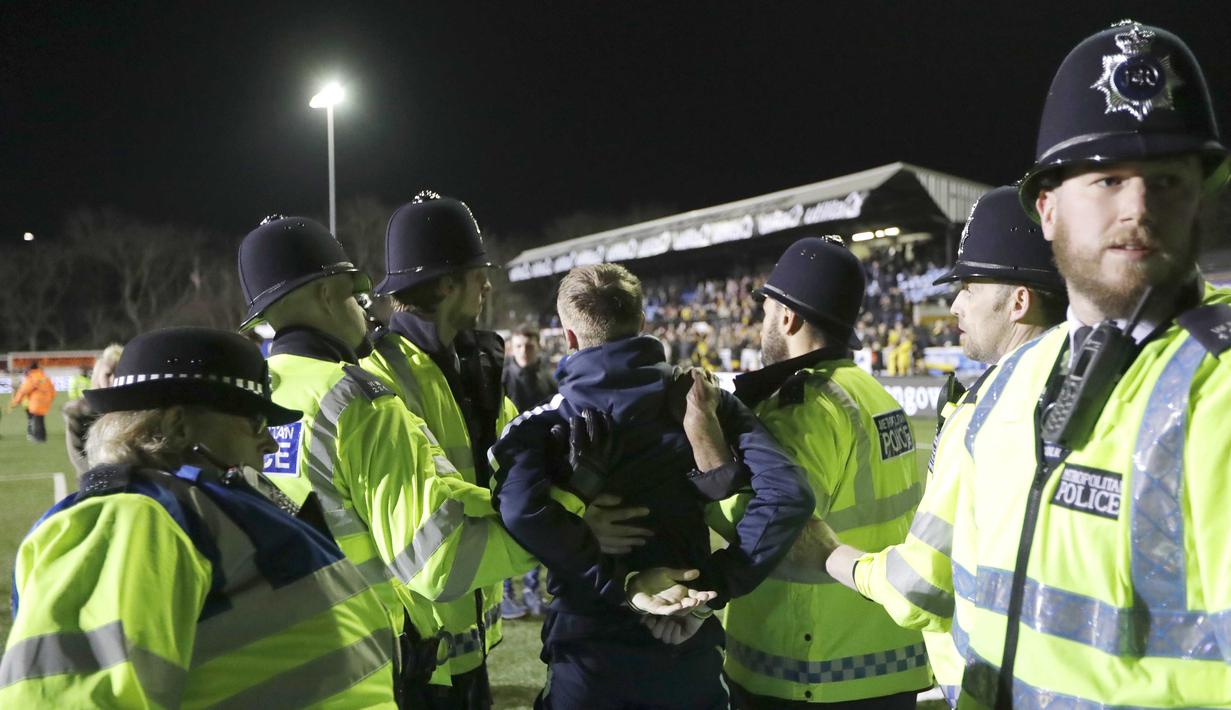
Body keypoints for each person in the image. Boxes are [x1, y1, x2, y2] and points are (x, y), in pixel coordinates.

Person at [904, 21, 1225, 708]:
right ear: (1045, 209)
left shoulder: (1218, 386)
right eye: (1106, 179)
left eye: (1167, 181)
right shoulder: (1009, 385)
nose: (1137, 207)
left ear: (1199, 196)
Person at [238, 215, 548, 706]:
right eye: (355, 296)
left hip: (311, 660)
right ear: (325, 295)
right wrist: (556, 528)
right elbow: (437, 559)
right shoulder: (355, 399)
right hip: (400, 660)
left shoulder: (252, 396)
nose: (366, 311)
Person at [0, 327, 398, 707]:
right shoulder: (129, 517)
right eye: (254, 421)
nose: (271, 441)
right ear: (177, 425)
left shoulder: (185, 510)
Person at [491, 263, 814, 710]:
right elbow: (789, 495)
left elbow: (519, 510)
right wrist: (713, 587)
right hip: (687, 653)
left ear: (567, 338)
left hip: (588, 663)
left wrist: (618, 580)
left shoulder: (544, 424)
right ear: (644, 324)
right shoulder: (707, 400)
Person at [817, 185, 1067, 707]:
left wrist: (835, 559)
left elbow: (918, 586)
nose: (953, 304)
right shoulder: (1084, 389)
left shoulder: (990, 414)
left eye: (970, 287)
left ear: (1018, 300)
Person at [713, 236, 929, 709]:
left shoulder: (805, 406)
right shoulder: (874, 395)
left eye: (767, 310)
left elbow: (763, 519)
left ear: (788, 317)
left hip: (808, 667)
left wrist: (707, 465)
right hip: (886, 658)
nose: (762, 323)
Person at [359, 191, 531, 704]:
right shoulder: (378, 375)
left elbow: (511, 456)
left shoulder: (474, 362)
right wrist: (556, 529)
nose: (487, 283)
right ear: (448, 283)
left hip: (467, 637)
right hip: (417, 650)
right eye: (478, 272)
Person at [499, 322, 558, 619]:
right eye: (520, 345)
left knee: (536, 529)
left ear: (538, 346)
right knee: (506, 528)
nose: (525, 351)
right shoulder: (502, 378)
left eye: (530, 345)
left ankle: (532, 590)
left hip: (540, 463)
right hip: (509, 465)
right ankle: (506, 593)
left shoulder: (548, 380)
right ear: (512, 348)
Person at [63, 342, 123, 476]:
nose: (113, 379)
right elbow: (80, 459)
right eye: (108, 374)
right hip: (94, 486)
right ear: (97, 376)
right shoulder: (79, 414)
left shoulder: (136, 409)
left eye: (118, 373)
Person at [9, 361, 55, 443]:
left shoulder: (32, 377)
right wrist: (50, 399)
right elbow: (52, 390)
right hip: (45, 401)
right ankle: (43, 437)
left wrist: (15, 402)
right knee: (40, 419)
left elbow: (23, 391)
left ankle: (38, 438)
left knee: (35, 420)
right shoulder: (44, 377)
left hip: (35, 402)